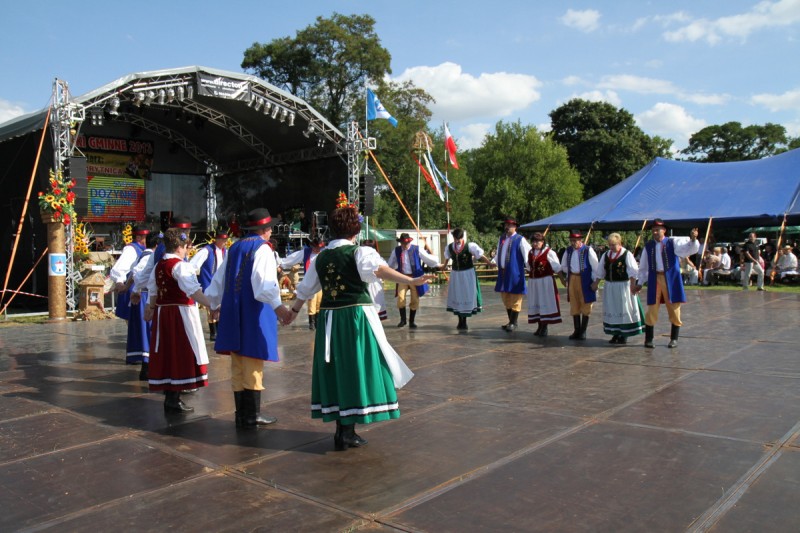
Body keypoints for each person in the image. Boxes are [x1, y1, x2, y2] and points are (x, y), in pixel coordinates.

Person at [288, 203, 432, 451]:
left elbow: (306, 289)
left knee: (337, 370)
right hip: (355, 318)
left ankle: (343, 431)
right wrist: (411, 280)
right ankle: (347, 432)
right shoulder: (359, 253)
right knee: (358, 369)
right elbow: (379, 270)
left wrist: (292, 311)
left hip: (329, 321)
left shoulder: (322, 257)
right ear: (355, 230)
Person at [205, 208, 293, 429]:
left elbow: (219, 278)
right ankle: (252, 414)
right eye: (270, 227)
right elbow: (263, 284)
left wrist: (214, 304)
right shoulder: (262, 249)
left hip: (233, 310)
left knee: (237, 361)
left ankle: (241, 414)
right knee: (253, 358)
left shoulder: (234, 248)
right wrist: (278, 306)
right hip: (253, 311)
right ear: (265, 230)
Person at [144, 228, 214, 413]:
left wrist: (151, 309)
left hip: (163, 314)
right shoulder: (180, 266)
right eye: (186, 248)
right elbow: (193, 291)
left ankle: (171, 397)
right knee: (180, 351)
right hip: (180, 315)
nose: (187, 251)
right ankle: (173, 397)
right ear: (180, 247)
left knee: (168, 352)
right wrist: (212, 306)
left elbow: (152, 289)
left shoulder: (160, 265)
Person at [633, 219, 700, 348]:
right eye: (653, 230)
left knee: (674, 307)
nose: (655, 232)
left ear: (664, 230)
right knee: (652, 308)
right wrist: (640, 283)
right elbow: (643, 267)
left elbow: (687, 250)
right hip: (654, 279)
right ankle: (649, 339)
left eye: (657, 230)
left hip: (671, 279)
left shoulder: (672, 243)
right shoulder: (649, 246)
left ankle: (674, 338)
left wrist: (692, 239)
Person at [591, 233, 644, 344]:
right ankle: (615, 333)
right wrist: (595, 284)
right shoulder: (606, 255)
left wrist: (633, 286)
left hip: (623, 286)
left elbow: (633, 272)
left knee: (623, 309)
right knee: (612, 309)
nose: (611, 247)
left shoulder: (627, 254)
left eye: (613, 245)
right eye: (610, 245)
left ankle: (624, 334)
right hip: (610, 286)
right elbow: (600, 271)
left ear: (620, 244)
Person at [387, 233, 441, 328]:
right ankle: (403, 320)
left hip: (415, 278)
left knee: (415, 299)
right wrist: (387, 271)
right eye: (403, 243)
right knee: (400, 298)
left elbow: (427, 258)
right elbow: (391, 263)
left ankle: (412, 321)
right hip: (402, 277)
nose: (404, 245)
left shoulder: (416, 249)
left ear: (409, 242)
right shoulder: (397, 250)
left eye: (406, 243)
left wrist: (436, 263)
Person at [443, 228, 491, 330]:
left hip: (467, 274)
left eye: (459, 238)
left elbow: (480, 255)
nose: (458, 240)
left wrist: (489, 263)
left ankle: (464, 321)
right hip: (456, 274)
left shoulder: (470, 246)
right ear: (453, 237)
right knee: (457, 295)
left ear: (462, 237)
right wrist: (443, 266)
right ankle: (459, 320)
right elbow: (447, 259)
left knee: (466, 295)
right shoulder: (450, 247)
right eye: (456, 238)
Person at [126, 231, 158, 380]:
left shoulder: (148, 255)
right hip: (145, 296)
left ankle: (148, 368)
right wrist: (137, 290)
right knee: (148, 333)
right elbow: (138, 274)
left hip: (145, 294)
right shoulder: (148, 256)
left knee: (148, 333)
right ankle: (147, 369)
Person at [493, 217, 532, 332]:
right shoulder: (502, 238)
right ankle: (510, 321)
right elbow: (498, 253)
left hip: (515, 273)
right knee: (505, 297)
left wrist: (530, 268)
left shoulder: (520, 239)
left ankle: (514, 322)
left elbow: (527, 254)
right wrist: (493, 262)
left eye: (509, 225)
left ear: (515, 227)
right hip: (503, 273)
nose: (507, 227)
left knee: (515, 296)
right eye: (506, 225)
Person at [559, 229, 598, 341]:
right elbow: (564, 265)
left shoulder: (588, 250)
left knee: (586, 303)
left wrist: (595, 281)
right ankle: (577, 330)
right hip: (573, 278)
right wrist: (568, 275)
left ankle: (583, 331)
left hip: (585, 279)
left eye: (575, 240)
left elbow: (596, 266)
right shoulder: (568, 251)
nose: (573, 242)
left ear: (580, 240)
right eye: (571, 240)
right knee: (574, 303)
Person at [189, 230, 228, 341]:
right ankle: (213, 331)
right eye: (222, 240)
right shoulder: (207, 251)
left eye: (225, 240)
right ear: (216, 239)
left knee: (220, 305)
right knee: (210, 305)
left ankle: (220, 329)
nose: (224, 242)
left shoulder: (226, 251)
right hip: (208, 282)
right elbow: (193, 264)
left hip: (220, 283)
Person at [281, 236, 325, 330]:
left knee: (319, 302)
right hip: (310, 281)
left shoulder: (324, 252)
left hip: (321, 282)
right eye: (317, 247)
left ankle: (318, 321)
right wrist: (281, 264)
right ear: (312, 246)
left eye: (319, 247)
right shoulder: (306, 252)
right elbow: (292, 259)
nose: (318, 249)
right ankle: (311, 322)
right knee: (312, 302)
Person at [526, 232, 562, 337]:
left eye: (538, 241)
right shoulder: (531, 253)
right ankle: (539, 326)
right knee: (536, 303)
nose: (535, 243)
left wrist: (563, 281)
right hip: (534, 282)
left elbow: (557, 268)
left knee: (544, 302)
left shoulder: (549, 252)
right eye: (533, 241)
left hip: (545, 282)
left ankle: (544, 327)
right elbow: (528, 267)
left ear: (542, 242)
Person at [110, 225, 149, 321]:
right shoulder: (131, 249)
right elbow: (119, 269)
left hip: (142, 290)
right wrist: (120, 283)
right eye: (146, 237)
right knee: (134, 322)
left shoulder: (145, 249)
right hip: (132, 289)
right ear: (138, 237)